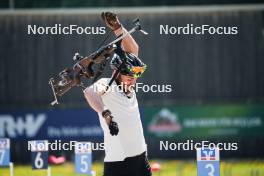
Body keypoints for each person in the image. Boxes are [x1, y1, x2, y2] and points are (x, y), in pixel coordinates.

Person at [83, 12, 152, 176]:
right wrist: (104, 112)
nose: (133, 81)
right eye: (129, 77)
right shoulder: (107, 85)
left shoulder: (129, 76)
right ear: (117, 72)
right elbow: (89, 92)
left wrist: (117, 27)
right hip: (118, 164)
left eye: (135, 77)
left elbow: (133, 49)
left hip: (141, 160)